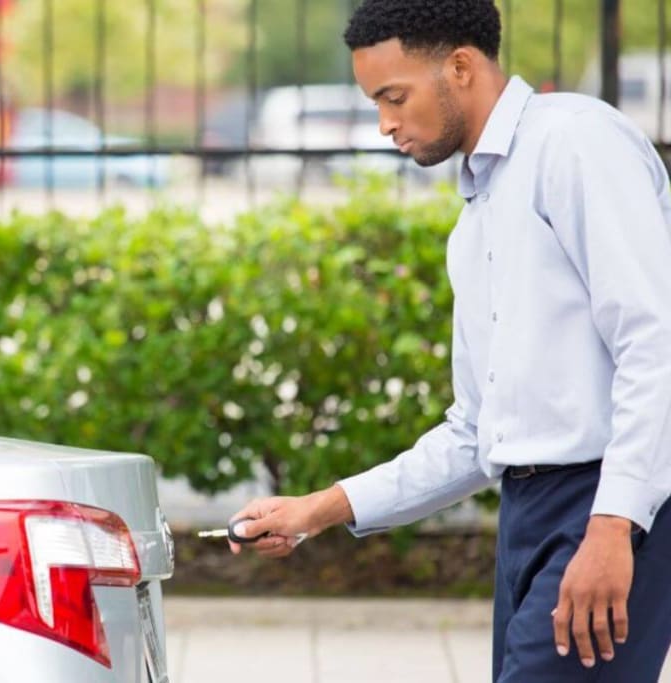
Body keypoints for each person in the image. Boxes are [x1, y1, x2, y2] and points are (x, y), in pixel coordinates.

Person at [227, 1, 671, 680]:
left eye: (393, 96)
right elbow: (474, 433)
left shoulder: (575, 142)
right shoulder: (476, 220)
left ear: (460, 66)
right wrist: (315, 510)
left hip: (613, 505)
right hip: (527, 517)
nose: (385, 124)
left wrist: (614, 526)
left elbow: (655, 340)